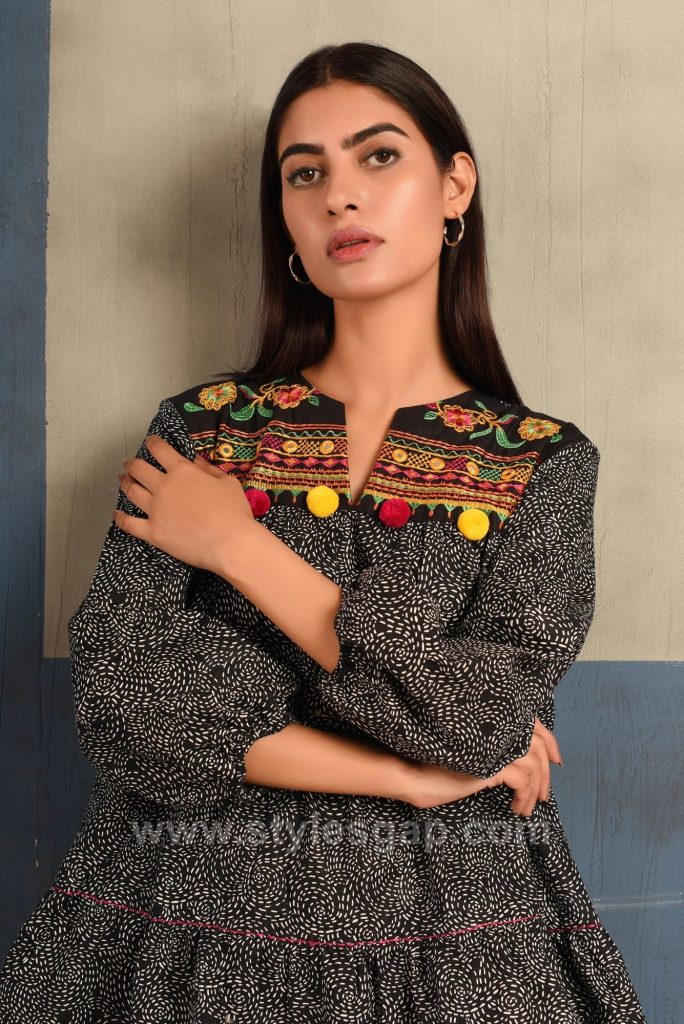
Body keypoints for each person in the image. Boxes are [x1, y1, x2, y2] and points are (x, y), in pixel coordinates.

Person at [0, 41, 647, 1023]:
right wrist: (405, 770)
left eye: (378, 155)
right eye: (305, 173)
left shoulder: (542, 461)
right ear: (288, 223)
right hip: (181, 923)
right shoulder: (201, 434)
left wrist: (238, 549)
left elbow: (481, 719)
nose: (340, 195)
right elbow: (126, 702)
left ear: (455, 185)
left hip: (459, 939)